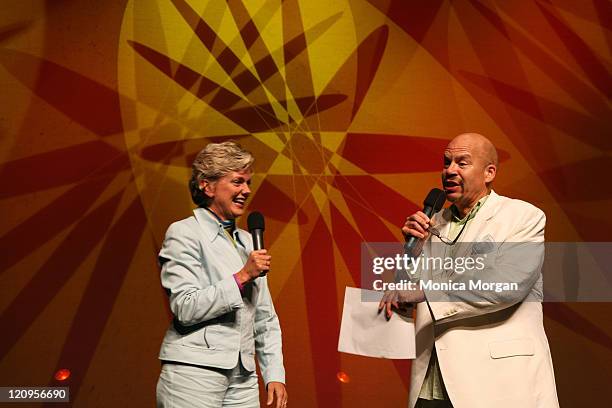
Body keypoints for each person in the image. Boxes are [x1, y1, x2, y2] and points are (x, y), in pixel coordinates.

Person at [379, 133, 559, 408]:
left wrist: (424, 291)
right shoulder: (433, 224)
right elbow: (407, 296)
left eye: (462, 163)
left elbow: (505, 285)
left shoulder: (521, 217)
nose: (449, 170)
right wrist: (412, 254)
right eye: (447, 162)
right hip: (431, 382)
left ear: (489, 173)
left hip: (496, 384)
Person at [156, 141, 287, 408]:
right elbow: (184, 307)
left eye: (248, 183)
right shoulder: (184, 233)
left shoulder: (250, 241)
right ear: (207, 185)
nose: (246, 190)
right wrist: (242, 277)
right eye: (238, 182)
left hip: (243, 377)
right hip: (194, 372)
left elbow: (265, 316)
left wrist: (274, 373)